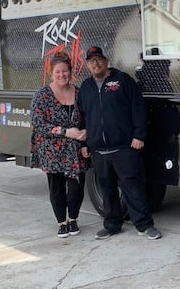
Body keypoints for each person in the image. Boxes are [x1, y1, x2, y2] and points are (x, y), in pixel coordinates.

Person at [77, 46, 162, 240]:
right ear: (87, 65)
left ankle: (144, 225)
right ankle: (112, 225)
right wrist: (85, 144)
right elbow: (82, 117)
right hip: (99, 150)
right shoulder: (86, 87)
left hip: (124, 148)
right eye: (91, 61)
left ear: (106, 61)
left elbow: (138, 109)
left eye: (98, 59)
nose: (95, 63)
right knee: (107, 191)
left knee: (134, 189)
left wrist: (139, 136)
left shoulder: (123, 80)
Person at [30, 50, 88, 238]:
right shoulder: (42, 95)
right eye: (58, 72)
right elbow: (38, 124)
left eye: (65, 71)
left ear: (70, 72)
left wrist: (86, 133)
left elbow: (87, 117)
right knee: (56, 187)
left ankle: (73, 219)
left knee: (76, 186)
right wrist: (65, 132)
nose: (62, 75)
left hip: (75, 150)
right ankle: (62, 222)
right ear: (51, 73)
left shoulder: (79, 93)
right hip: (51, 150)